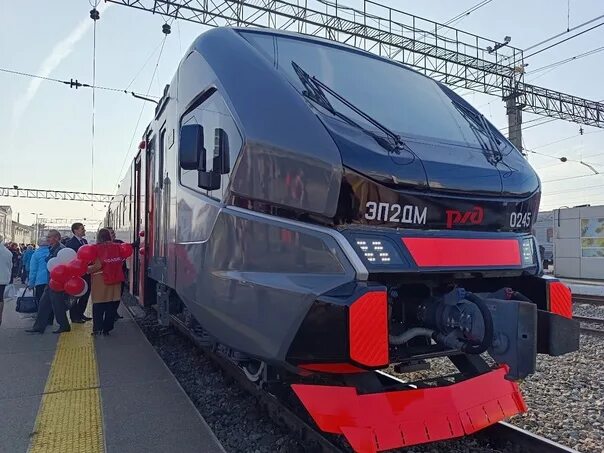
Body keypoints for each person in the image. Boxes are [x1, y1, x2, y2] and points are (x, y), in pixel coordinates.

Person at [26, 230, 71, 334]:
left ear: (56, 238)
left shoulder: (61, 249)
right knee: (44, 304)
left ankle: (64, 325)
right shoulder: (53, 248)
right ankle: (39, 326)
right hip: (50, 281)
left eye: (49, 237)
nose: (48, 239)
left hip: (57, 282)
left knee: (57, 305)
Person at [88, 228, 124, 335]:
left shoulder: (97, 248)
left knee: (98, 306)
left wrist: (87, 269)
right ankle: (107, 329)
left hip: (101, 280)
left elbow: (98, 265)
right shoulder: (118, 247)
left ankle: (97, 328)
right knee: (111, 306)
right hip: (116, 279)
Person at [65, 222, 92, 323]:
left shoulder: (84, 241)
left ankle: (81, 313)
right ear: (75, 230)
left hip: (86, 271)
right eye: (82, 229)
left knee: (86, 293)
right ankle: (74, 317)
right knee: (75, 295)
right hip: (76, 273)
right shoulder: (71, 243)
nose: (84, 230)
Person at [28, 239, 52, 326]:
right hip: (52, 280)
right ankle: (50, 319)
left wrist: (31, 283)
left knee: (41, 301)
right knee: (51, 300)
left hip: (40, 281)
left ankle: (42, 319)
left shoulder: (36, 254)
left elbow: (33, 270)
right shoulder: (51, 252)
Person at [106, 227, 125, 319]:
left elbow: (128, 247)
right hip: (109, 275)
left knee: (118, 295)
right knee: (109, 296)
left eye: (113, 233)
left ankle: (114, 312)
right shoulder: (102, 246)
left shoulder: (119, 242)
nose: (113, 234)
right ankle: (110, 314)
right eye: (111, 233)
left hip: (120, 273)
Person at [0, 235, 14, 327]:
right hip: (2, 278)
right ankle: (0, 317)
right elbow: (10, 266)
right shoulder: (8, 252)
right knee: (0, 298)